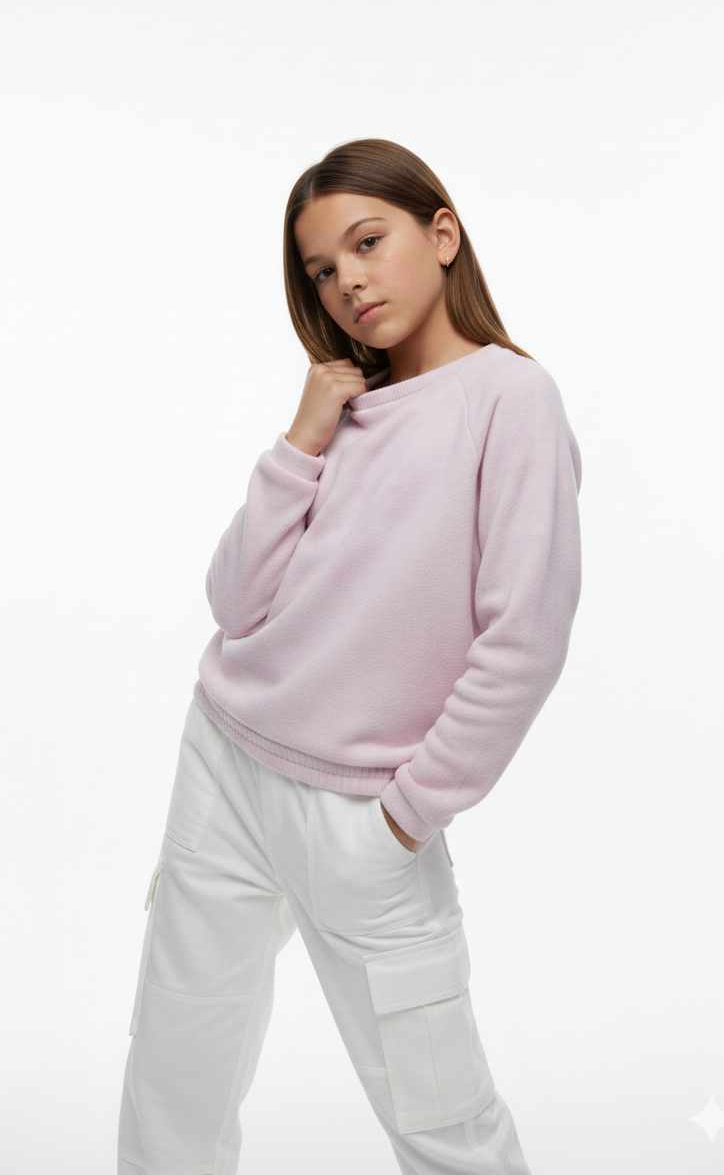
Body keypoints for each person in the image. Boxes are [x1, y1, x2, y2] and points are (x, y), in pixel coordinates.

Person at [117, 137, 582, 1175]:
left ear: (443, 233)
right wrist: (299, 441)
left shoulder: (513, 400)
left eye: (368, 244)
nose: (347, 284)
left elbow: (525, 638)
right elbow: (233, 601)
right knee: (175, 1075)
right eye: (323, 270)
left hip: (364, 814)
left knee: (441, 1119)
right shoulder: (344, 405)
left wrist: (409, 814)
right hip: (224, 763)